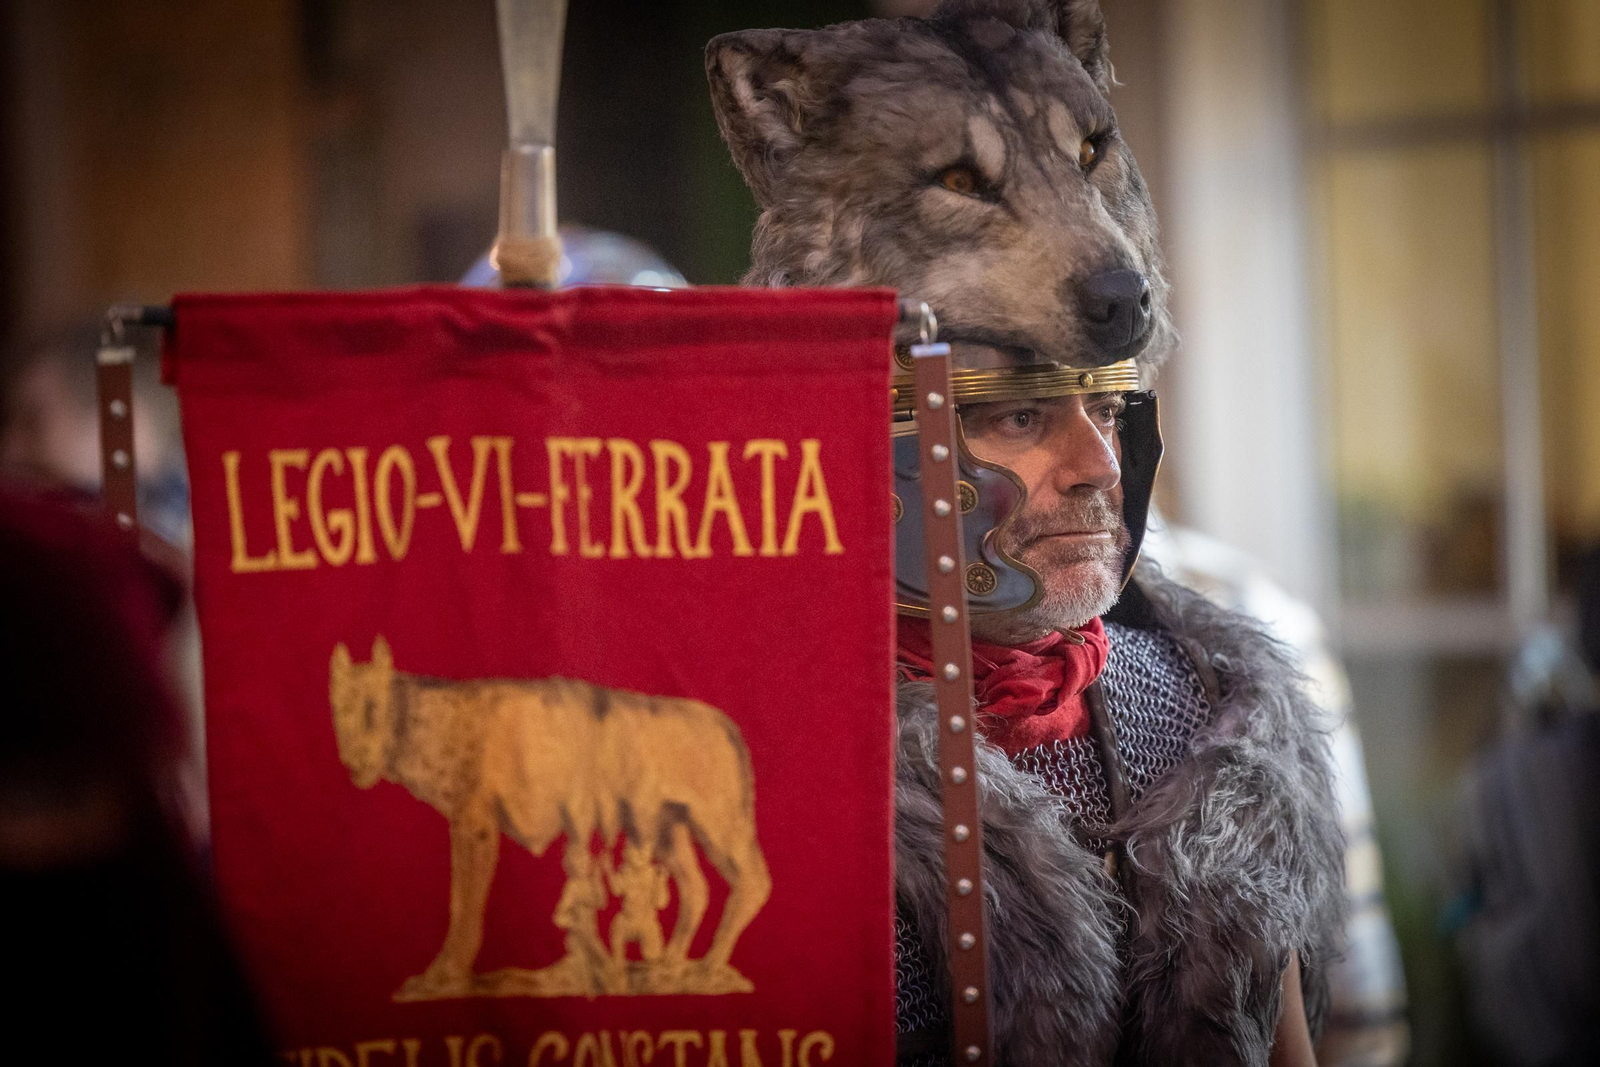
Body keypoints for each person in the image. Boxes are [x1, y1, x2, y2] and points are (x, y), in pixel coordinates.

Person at [705, 2, 1344, 1064]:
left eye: (1107, 407)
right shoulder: (755, 764)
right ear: (863, 443)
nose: (1097, 465)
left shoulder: (1208, 722)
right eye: (1015, 415)